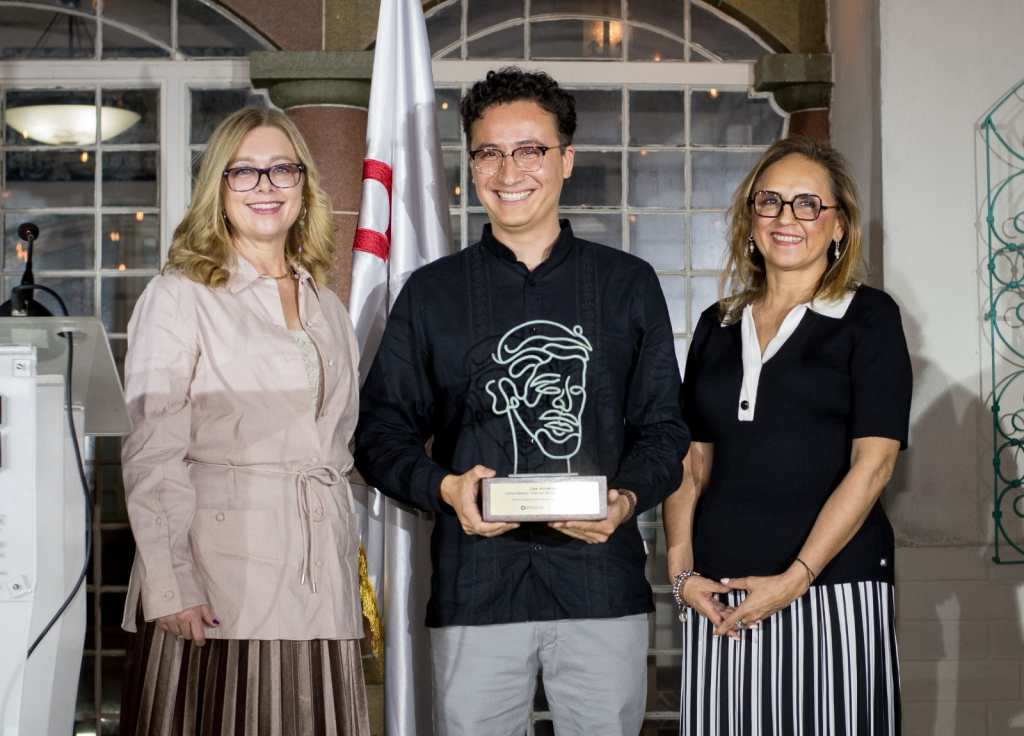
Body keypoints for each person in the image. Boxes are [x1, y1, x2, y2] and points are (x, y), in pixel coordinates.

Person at [354, 67, 689, 735]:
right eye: (489, 152)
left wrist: (624, 499)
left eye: (530, 149)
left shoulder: (627, 285)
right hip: (476, 590)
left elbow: (664, 431)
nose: (509, 170)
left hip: (601, 589)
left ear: (566, 158)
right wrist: (445, 489)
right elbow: (378, 435)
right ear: (470, 164)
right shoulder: (429, 295)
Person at [118, 107, 370, 735]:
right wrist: (171, 584)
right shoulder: (179, 295)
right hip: (220, 575)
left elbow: (339, 446)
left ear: (304, 186)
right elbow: (151, 451)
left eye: (282, 169)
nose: (266, 186)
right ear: (217, 189)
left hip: (321, 573)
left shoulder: (328, 304)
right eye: (245, 172)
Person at [664, 137, 912, 735]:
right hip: (719, 592)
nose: (786, 218)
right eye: (770, 201)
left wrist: (796, 578)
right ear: (750, 221)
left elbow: (873, 467)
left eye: (807, 204)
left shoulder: (869, 318)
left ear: (838, 227)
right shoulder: (716, 324)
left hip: (835, 587)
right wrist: (681, 573)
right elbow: (690, 461)